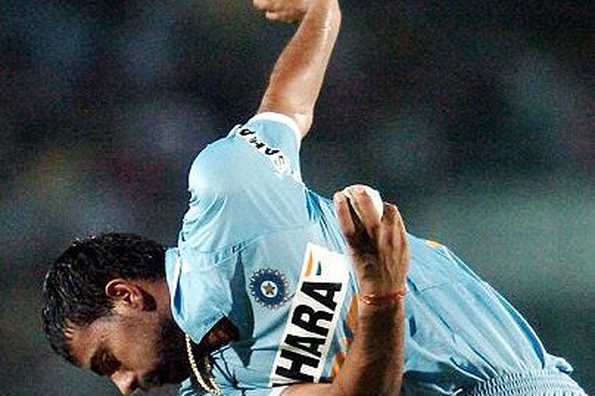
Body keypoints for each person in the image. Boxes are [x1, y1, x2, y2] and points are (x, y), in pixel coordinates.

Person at [42, 1, 587, 395]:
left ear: (127, 295)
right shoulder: (219, 385)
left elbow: (287, 109)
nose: (126, 385)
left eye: (108, 360)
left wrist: (322, 15)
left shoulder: (226, 192)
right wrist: (380, 293)